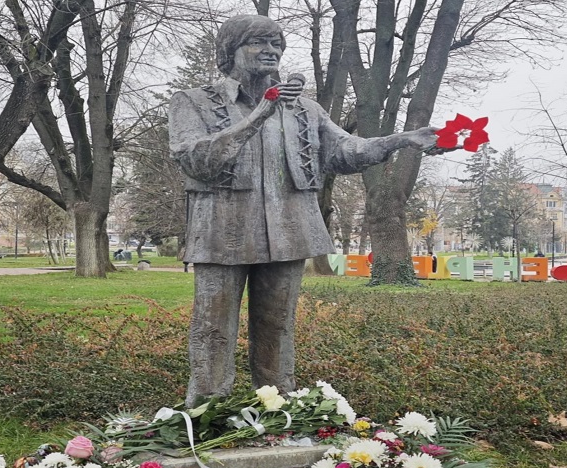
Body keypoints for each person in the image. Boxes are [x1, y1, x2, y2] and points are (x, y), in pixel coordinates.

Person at [169, 14, 438, 406]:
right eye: (258, 43)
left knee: (277, 327)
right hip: (221, 234)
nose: (271, 51)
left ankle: (278, 409)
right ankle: (206, 412)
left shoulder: (305, 110)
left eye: (276, 44)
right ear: (230, 50)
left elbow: (346, 151)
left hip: (289, 233)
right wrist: (260, 113)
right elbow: (196, 160)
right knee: (213, 328)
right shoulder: (192, 102)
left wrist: (400, 139)